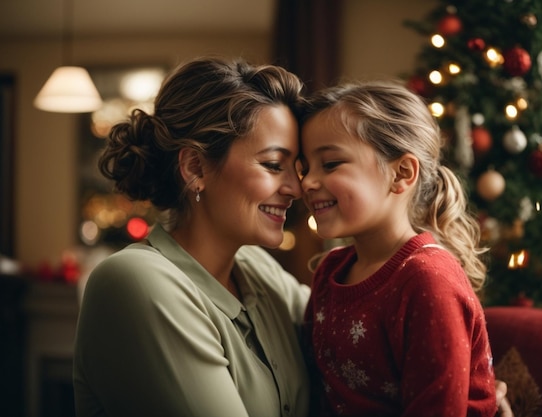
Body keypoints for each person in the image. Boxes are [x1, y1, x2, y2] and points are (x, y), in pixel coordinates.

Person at [73, 56, 312, 417]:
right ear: (195, 167)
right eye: (273, 165)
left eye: (297, 168)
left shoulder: (257, 269)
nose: (296, 187)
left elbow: (354, 339)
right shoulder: (135, 282)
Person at [299, 80, 498, 416]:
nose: (306, 182)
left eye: (330, 164)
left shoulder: (428, 281)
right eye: (305, 168)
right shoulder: (330, 271)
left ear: (402, 174)